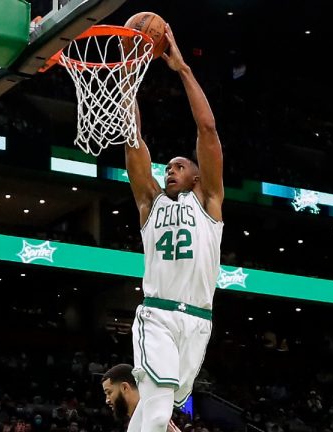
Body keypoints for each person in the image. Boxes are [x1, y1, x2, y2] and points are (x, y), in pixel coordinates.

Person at [123, 22, 224, 432]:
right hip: (158, 315)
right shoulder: (150, 202)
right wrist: (127, 80)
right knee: (160, 404)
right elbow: (133, 140)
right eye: (168, 167)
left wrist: (182, 69)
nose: (170, 170)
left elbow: (208, 129)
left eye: (179, 166)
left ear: (198, 178)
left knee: (157, 410)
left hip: (198, 321)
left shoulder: (210, 204)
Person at [101, 364, 181, 432]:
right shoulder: (142, 418)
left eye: (109, 392)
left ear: (125, 387)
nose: (107, 400)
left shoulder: (154, 417)